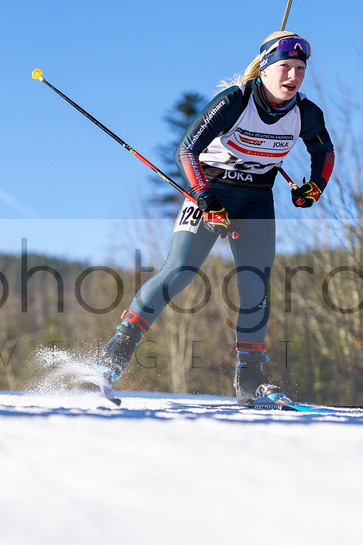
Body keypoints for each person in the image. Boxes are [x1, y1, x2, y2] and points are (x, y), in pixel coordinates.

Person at [96, 32, 335, 406]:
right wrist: (206, 199)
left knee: (255, 284)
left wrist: (315, 187)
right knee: (180, 272)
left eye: (301, 69)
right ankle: (117, 351)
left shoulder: (305, 112)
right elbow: (186, 150)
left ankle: (249, 379)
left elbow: (324, 152)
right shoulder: (236, 100)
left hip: (255, 200)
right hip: (211, 192)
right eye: (285, 67)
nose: (293, 76)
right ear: (266, 68)